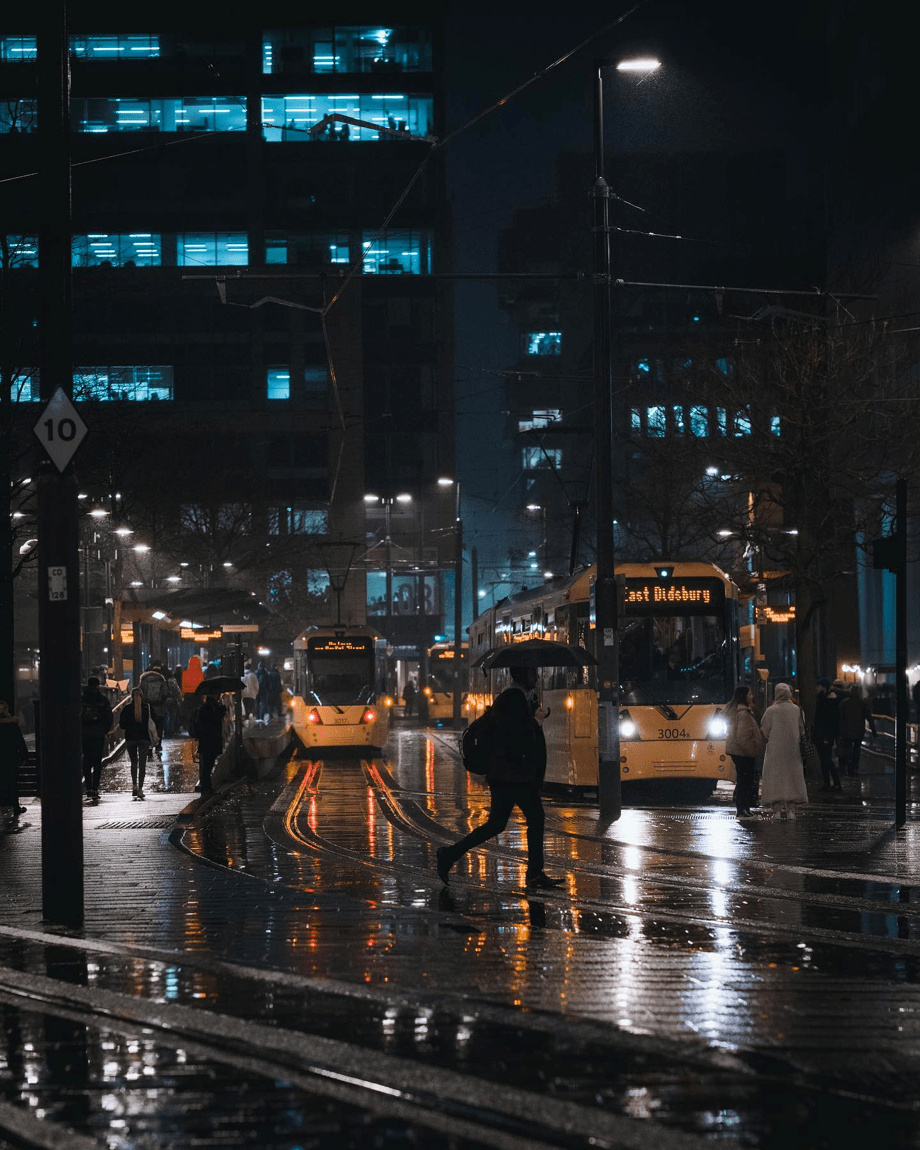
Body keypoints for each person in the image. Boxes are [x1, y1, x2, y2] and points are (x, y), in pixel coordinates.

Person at [436, 665, 563, 889]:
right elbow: (514, 736)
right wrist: (536, 721)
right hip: (512, 775)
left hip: (512, 775)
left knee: (499, 824)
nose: (537, 676)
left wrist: (533, 713)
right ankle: (534, 873)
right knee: (531, 819)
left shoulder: (518, 697)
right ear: (523, 675)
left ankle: (449, 854)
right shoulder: (511, 699)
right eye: (533, 673)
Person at [760, 682, 808, 819]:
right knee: (792, 777)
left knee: (776, 777)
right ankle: (791, 809)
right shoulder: (797, 710)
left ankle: (776, 810)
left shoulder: (771, 710)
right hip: (793, 750)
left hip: (775, 750)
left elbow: (765, 730)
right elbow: (802, 729)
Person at [724, 685, 764, 820]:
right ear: (744, 696)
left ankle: (744, 809)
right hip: (743, 753)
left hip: (739, 752)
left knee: (744, 780)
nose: (752, 696)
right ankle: (742, 810)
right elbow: (743, 737)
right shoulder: (743, 714)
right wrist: (751, 750)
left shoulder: (741, 712)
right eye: (750, 694)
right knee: (744, 781)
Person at [80, 676, 113, 803]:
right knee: (97, 762)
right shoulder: (103, 700)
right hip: (98, 734)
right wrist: (104, 731)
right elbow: (109, 718)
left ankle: (88, 788)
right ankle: (95, 789)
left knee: (86, 761)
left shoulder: (82, 699)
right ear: (98, 685)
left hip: (85, 734)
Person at [837, 682, 877, 777]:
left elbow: (840, 718)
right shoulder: (862, 703)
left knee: (848, 749)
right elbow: (869, 718)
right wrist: (874, 730)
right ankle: (855, 767)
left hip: (847, 731)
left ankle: (848, 766)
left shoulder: (845, 703)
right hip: (859, 731)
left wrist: (840, 730)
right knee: (857, 750)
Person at [119, 688, 151, 800]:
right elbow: (154, 721)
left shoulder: (127, 709)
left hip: (130, 739)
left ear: (132, 696)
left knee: (134, 762)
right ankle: (141, 789)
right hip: (144, 739)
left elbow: (122, 725)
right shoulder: (147, 708)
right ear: (142, 696)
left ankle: (134, 786)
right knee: (142, 764)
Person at [0, 700, 28, 825]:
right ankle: (16, 807)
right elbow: (19, 741)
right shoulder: (12, 724)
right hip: (10, 757)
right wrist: (24, 755)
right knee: (12, 783)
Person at [812, 677, 842, 791]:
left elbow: (831, 720)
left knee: (827, 759)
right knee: (824, 759)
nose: (817, 688)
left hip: (825, 734)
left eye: (818, 686)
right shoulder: (822, 698)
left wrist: (828, 735)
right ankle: (828, 783)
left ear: (823, 687)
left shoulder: (830, 700)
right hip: (821, 733)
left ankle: (835, 782)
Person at [192, 693, 226, 794]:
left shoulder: (206, 707)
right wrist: (222, 711)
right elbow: (214, 721)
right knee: (208, 764)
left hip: (206, 740)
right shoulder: (211, 708)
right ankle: (206, 787)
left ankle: (207, 786)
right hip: (211, 740)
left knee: (207, 764)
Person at [138, 666, 168, 759]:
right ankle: (158, 746)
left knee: (148, 728)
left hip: (147, 709)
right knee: (159, 728)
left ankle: (149, 748)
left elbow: (139, 693)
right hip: (159, 708)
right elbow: (165, 693)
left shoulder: (143, 680)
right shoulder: (162, 681)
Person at [241, 662, 259, 726]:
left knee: (246, 707)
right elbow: (256, 685)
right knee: (251, 706)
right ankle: (251, 715)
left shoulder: (242, 676)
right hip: (252, 694)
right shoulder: (253, 675)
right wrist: (256, 692)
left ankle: (247, 719)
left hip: (244, 694)